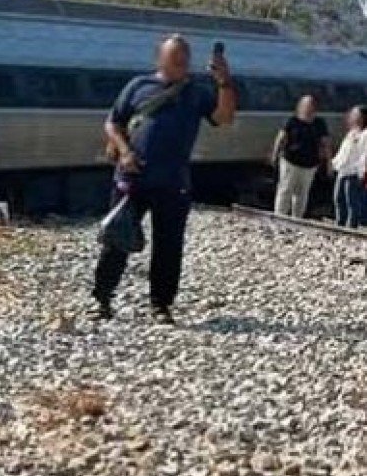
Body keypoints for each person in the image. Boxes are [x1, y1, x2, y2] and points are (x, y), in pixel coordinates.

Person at [92, 35, 238, 324]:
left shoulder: (196, 92)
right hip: (133, 177)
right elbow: (113, 122)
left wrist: (224, 82)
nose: (181, 65)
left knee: (169, 245)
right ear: (159, 59)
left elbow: (224, 118)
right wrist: (124, 152)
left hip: (173, 181)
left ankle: (161, 305)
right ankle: (102, 299)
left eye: (184, 60)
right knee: (116, 238)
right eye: (174, 60)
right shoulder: (138, 86)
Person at [271, 95, 331, 218]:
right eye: (306, 105)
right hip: (290, 161)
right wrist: (275, 154)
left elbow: (325, 143)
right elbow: (281, 138)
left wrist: (329, 162)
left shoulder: (319, 123)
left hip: (310, 164)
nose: (309, 108)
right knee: (285, 189)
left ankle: (297, 218)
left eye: (311, 105)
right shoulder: (292, 121)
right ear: (300, 106)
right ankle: (279, 216)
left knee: (302, 193)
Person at [330, 104, 367, 228]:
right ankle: (340, 224)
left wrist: (361, 172)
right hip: (343, 170)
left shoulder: (365, 134)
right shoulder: (351, 133)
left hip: (354, 172)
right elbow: (343, 151)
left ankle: (351, 227)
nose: (352, 116)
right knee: (338, 198)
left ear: (363, 117)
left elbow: (364, 154)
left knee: (352, 201)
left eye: (355, 114)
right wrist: (335, 163)